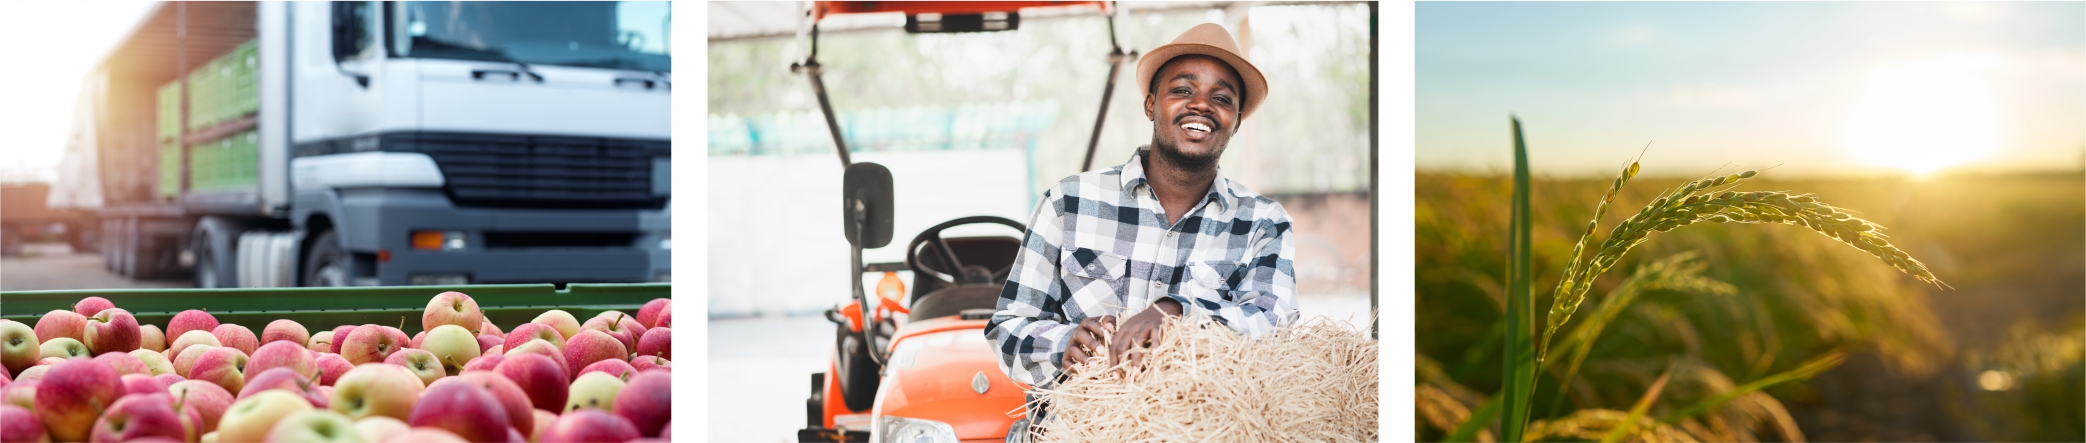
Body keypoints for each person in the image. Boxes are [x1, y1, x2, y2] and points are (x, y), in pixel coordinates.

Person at [986, 22, 1300, 436]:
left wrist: (1178, 313)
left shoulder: (1263, 223)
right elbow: (1007, 326)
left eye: (1221, 98)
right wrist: (1064, 345)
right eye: (1183, 90)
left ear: (1236, 121)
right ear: (1151, 105)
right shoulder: (1069, 202)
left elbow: (1274, 328)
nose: (1202, 105)